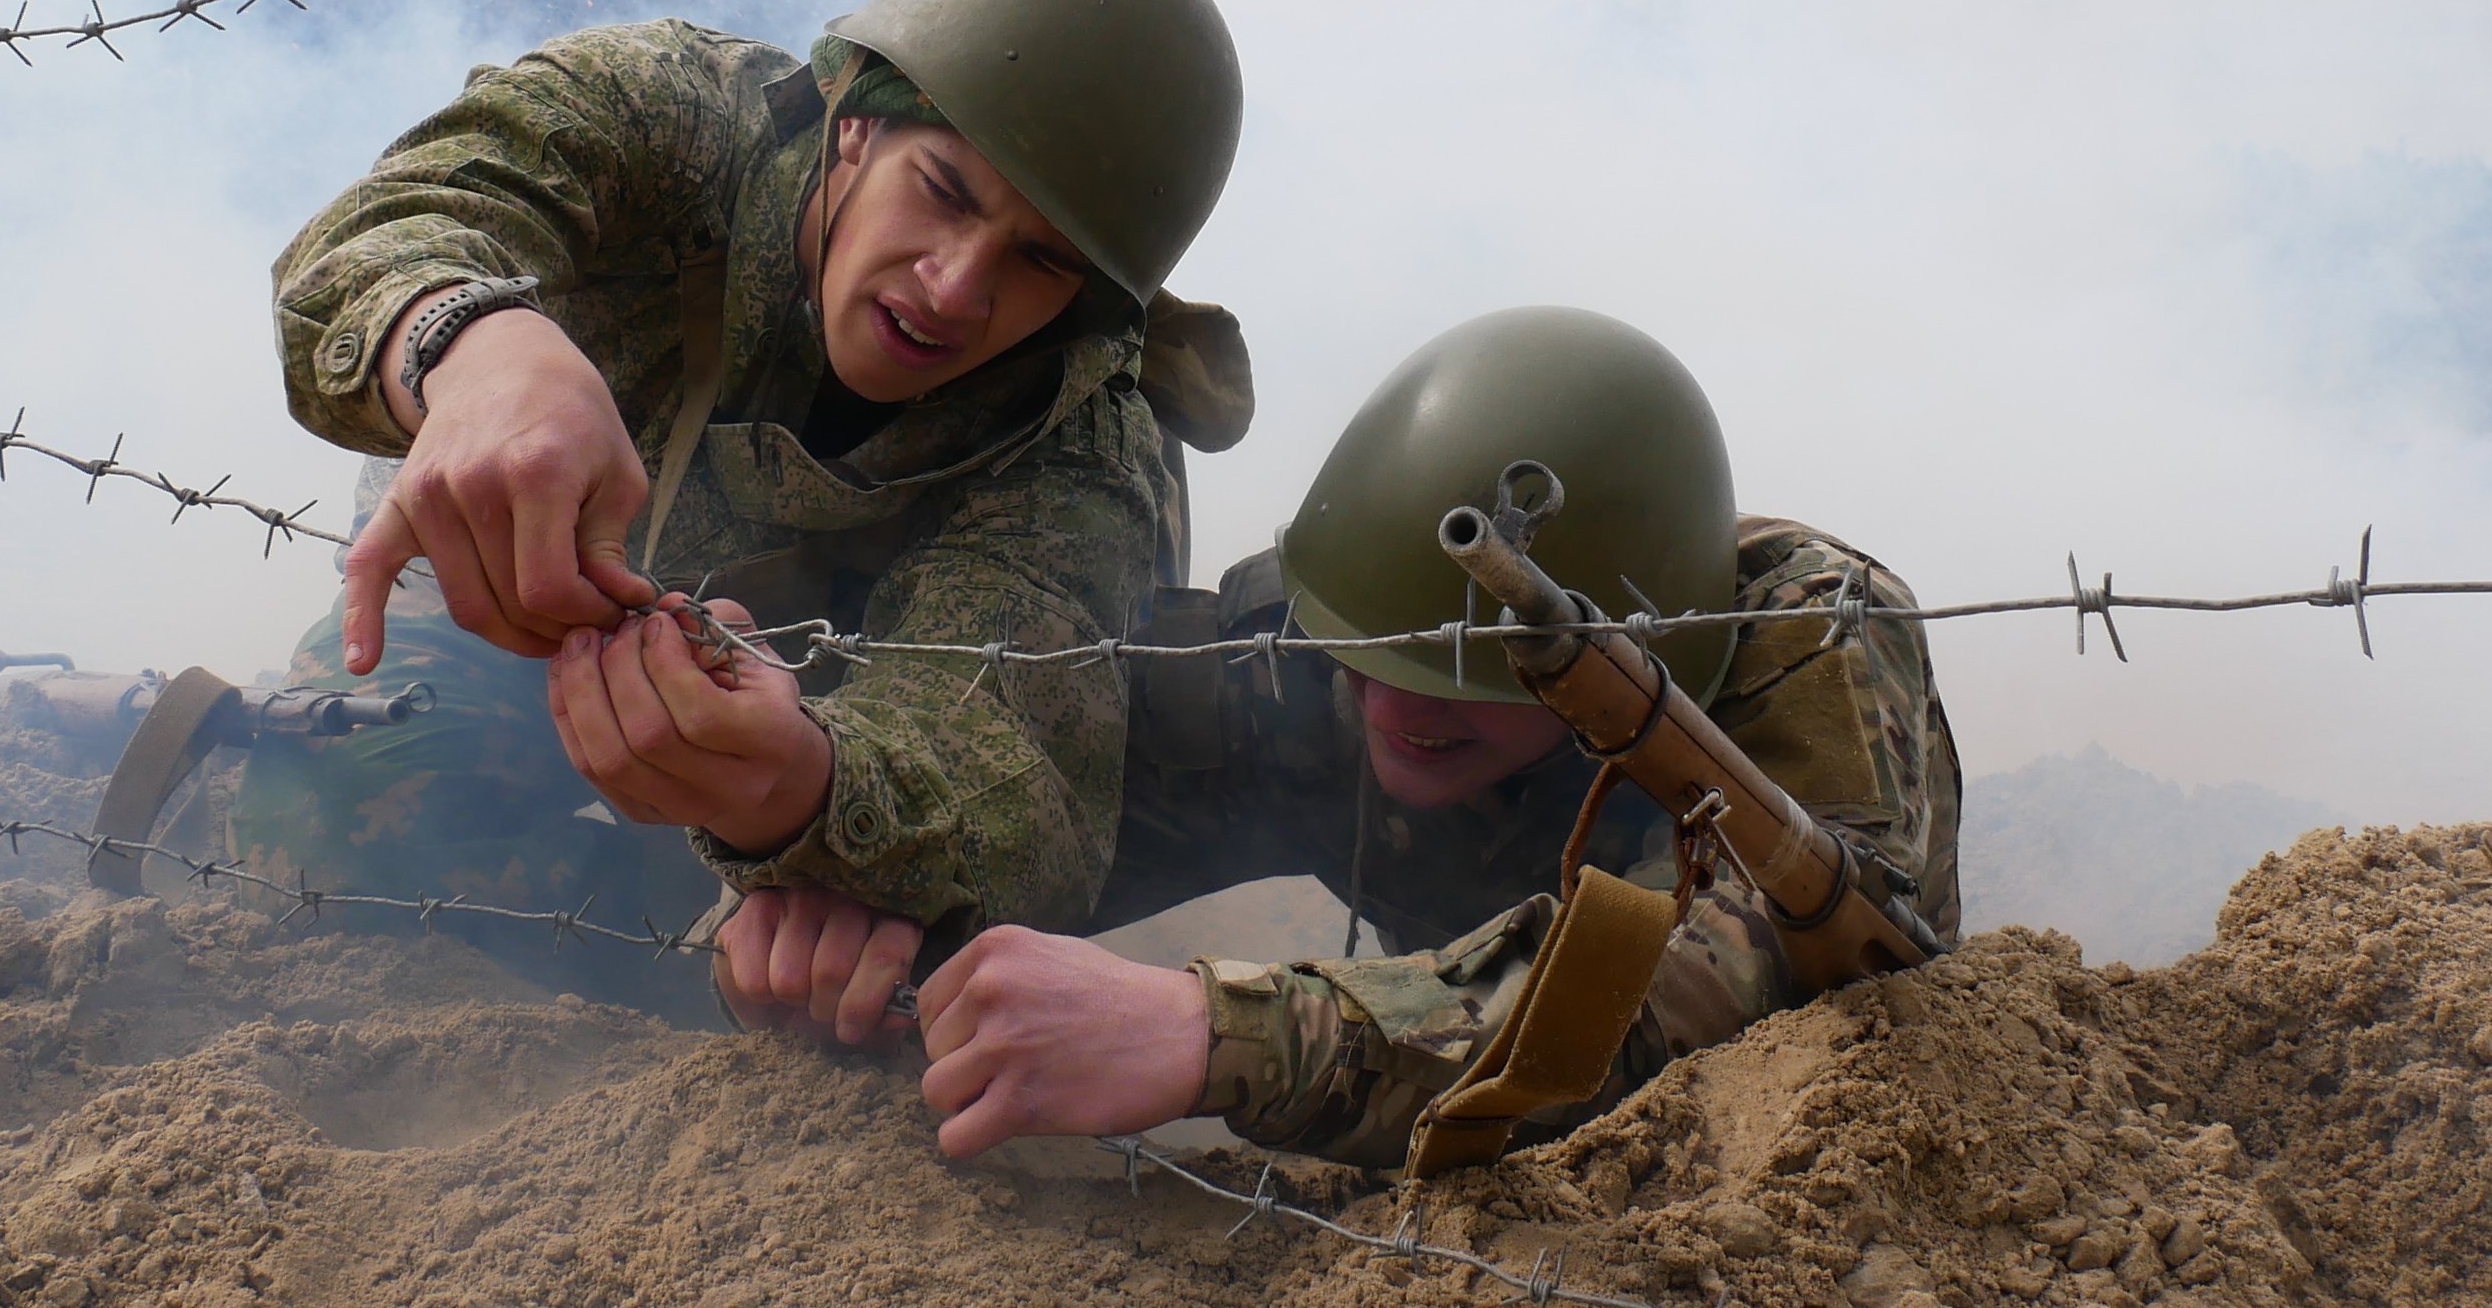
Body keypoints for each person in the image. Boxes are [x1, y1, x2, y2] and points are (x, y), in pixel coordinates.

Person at [243, 0, 1251, 1018]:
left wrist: (807, 800)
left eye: (1040, 260)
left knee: (863, 973)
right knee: (320, 818)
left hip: (829, 710)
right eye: (946, 191)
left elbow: (1009, 770)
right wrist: (476, 349)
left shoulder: (1077, 434)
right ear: (854, 125)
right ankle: (644, 946)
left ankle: (686, 973)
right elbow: (389, 221)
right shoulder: (665, 117)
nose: (955, 289)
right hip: (511, 602)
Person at [732, 303, 1962, 1163]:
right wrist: (846, 864)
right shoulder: (1328, 650)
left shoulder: (1805, 654)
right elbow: (1040, 772)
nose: (1390, 710)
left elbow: (1705, 1001)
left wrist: (1213, 1034)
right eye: (1366, 658)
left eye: (1463, 676)